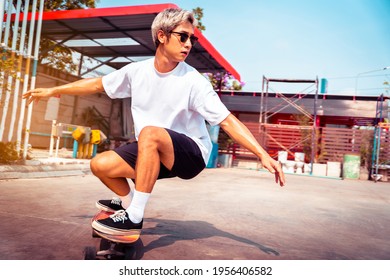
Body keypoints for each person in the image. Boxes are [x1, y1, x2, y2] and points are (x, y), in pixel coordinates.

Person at [23, 8, 285, 235]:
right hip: (153, 148)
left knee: (149, 133)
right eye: (182, 36)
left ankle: (135, 216)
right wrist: (53, 90)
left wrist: (261, 153)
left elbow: (227, 121)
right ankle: (128, 203)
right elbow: (96, 83)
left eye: (191, 39)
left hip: (190, 154)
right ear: (162, 35)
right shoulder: (137, 72)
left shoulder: (194, 81)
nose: (188, 44)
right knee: (100, 164)